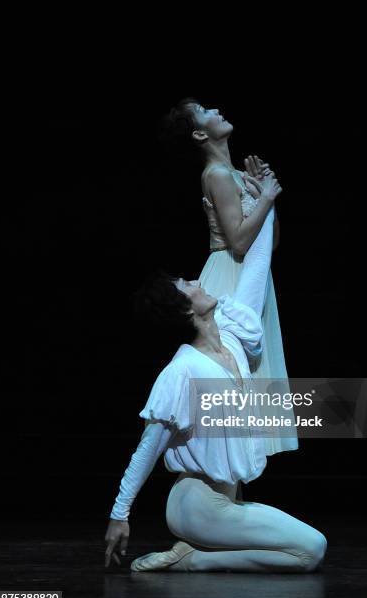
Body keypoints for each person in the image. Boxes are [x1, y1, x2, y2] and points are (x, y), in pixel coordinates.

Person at [104, 192, 327, 573]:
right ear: (185, 308)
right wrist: (119, 514)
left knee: (307, 552)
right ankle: (195, 561)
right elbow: (148, 448)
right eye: (186, 285)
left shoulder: (234, 339)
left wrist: (266, 201)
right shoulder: (181, 372)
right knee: (312, 549)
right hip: (197, 504)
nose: (195, 281)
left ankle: (194, 555)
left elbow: (258, 262)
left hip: (226, 500)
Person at [158, 98, 297, 457]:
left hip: (252, 272)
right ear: (200, 133)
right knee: (234, 374)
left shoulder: (233, 172)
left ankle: (233, 481)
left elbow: (269, 240)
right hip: (230, 275)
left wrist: (265, 196)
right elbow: (237, 240)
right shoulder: (217, 175)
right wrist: (264, 198)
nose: (216, 110)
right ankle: (220, 487)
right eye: (206, 111)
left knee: (246, 376)